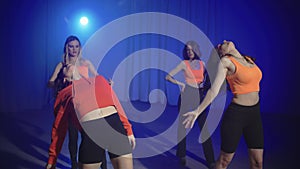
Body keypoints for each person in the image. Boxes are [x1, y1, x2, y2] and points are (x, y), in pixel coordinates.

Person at [183, 40, 264, 169]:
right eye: (220, 46)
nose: (224, 42)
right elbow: (213, 90)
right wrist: (197, 111)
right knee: (224, 161)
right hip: (237, 115)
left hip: (254, 114)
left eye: (223, 42)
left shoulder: (248, 59)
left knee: (258, 162)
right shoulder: (226, 62)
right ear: (222, 53)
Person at [47, 35, 107, 169]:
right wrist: (58, 82)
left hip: (86, 104)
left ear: (80, 48)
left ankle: (103, 167)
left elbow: (98, 78)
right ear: (66, 48)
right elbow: (50, 82)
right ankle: (74, 165)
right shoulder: (61, 65)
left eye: (76, 46)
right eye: (71, 46)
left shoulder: (86, 63)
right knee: (73, 138)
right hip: (70, 104)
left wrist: (106, 82)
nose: (74, 49)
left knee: (95, 137)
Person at [165, 41, 215, 168]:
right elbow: (168, 76)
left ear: (196, 51)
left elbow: (208, 80)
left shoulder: (202, 64)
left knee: (204, 129)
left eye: (192, 50)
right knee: (182, 128)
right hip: (186, 96)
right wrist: (180, 84)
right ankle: (181, 155)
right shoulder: (184, 63)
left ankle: (211, 160)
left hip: (199, 96)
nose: (189, 52)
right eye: (187, 50)